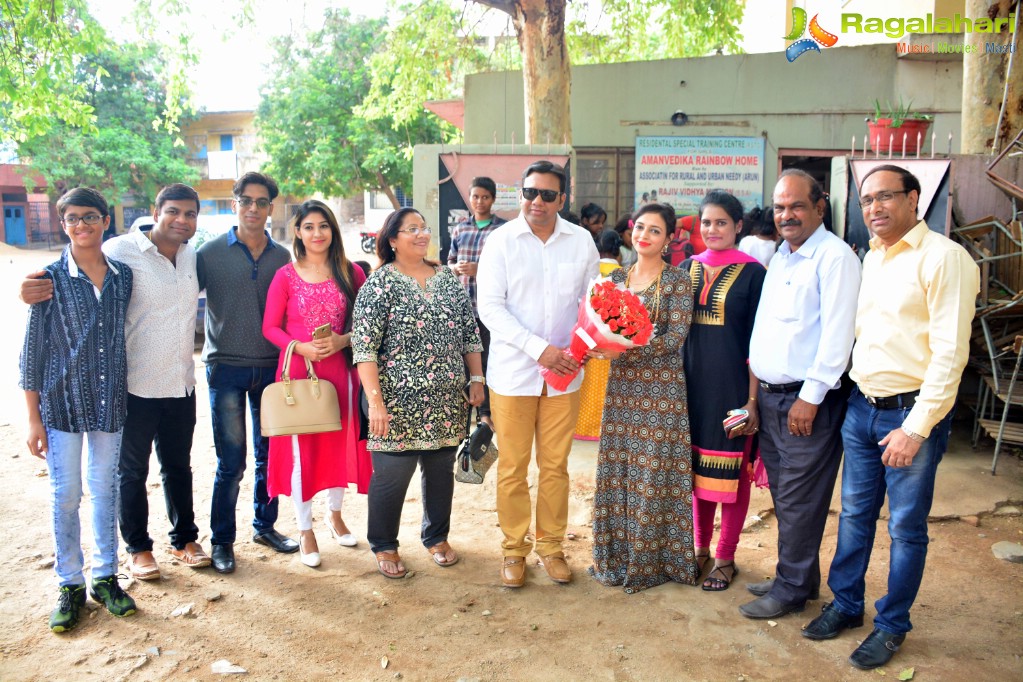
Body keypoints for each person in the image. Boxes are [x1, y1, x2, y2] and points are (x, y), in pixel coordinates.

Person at [801, 166, 979, 670]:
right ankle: (847, 605)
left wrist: (916, 429)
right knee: (854, 516)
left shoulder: (945, 259)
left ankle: (891, 625)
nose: (874, 208)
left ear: (914, 199)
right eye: (866, 200)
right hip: (863, 408)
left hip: (910, 414)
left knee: (905, 527)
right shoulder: (873, 258)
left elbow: (950, 354)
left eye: (886, 197)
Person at [20, 184, 209, 581]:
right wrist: (29, 287)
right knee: (130, 472)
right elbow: (75, 265)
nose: (181, 220)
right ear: (156, 211)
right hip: (134, 385)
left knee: (178, 466)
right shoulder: (121, 251)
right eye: (173, 211)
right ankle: (137, 548)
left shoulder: (193, 255)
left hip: (181, 383)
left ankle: (185, 539)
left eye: (190, 213)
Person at [740, 169, 862, 620]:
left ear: (818, 207)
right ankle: (797, 578)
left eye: (796, 206)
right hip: (772, 399)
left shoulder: (834, 259)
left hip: (805, 402)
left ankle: (791, 589)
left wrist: (810, 397)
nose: (786, 215)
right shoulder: (783, 256)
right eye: (779, 207)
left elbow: (838, 335)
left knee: (798, 498)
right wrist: (755, 397)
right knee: (789, 497)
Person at [477, 160, 600, 588]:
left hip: (565, 374)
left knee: (555, 467)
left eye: (548, 195)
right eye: (530, 193)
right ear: (521, 195)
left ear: (561, 200)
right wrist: (539, 350)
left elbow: (592, 303)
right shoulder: (501, 242)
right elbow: (490, 308)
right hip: (514, 374)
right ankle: (513, 551)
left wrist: (581, 347)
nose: (537, 202)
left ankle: (551, 547)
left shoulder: (582, 241)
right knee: (512, 466)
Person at [20, 188, 136, 632]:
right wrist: (33, 418)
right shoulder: (47, 279)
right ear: (63, 223)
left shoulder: (123, 276)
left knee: (105, 489)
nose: (81, 225)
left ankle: (105, 577)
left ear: (106, 221)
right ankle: (69, 583)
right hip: (62, 405)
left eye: (90, 217)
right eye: (72, 218)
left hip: (110, 404)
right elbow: (33, 353)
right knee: (66, 494)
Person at [353, 208, 484, 579]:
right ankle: (384, 544)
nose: (422, 234)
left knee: (440, 473)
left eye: (424, 227)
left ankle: (436, 536)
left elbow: (468, 333)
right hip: (394, 403)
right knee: (391, 477)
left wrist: (477, 378)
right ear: (392, 239)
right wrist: (375, 404)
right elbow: (364, 349)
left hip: (445, 401)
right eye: (412, 229)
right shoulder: (378, 285)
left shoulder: (446, 279)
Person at [589, 203, 699, 593]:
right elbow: (601, 325)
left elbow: (675, 338)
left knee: (654, 472)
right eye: (639, 228)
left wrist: (628, 351)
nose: (643, 236)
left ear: (669, 239)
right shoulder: (617, 277)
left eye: (655, 230)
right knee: (619, 468)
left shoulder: (678, 281)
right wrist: (595, 343)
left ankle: (655, 560)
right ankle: (616, 555)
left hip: (661, 390)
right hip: (621, 390)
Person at [197, 172, 298, 574]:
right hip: (226, 369)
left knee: (269, 456)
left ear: (271, 208)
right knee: (231, 461)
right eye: (246, 201)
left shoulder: (282, 257)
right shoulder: (208, 254)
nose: (253, 208)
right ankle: (222, 540)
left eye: (261, 202)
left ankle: (265, 526)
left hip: (272, 369)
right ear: (234, 203)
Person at [262, 200, 372, 568]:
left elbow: (368, 325)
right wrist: (302, 347)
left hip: (341, 373)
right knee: (300, 454)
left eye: (323, 225)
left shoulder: (352, 272)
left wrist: (343, 340)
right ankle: (305, 528)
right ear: (297, 232)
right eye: (308, 227)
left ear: (333, 230)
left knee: (339, 444)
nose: (317, 233)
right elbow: (270, 328)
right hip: (297, 376)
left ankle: (335, 514)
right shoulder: (286, 275)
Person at [683, 191, 766, 591]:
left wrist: (752, 402)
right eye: (706, 222)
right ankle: (699, 549)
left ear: (738, 226)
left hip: (733, 391)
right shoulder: (686, 269)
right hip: (689, 391)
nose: (712, 229)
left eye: (720, 222)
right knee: (697, 473)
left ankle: (726, 557)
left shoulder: (754, 274)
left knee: (732, 478)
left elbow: (758, 344)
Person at [447, 176, 506, 429]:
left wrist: (479, 269)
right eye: (475, 197)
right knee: (461, 361)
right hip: (463, 307)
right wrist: (455, 268)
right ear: (469, 199)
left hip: (491, 309)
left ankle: (485, 412)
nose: (479, 201)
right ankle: (464, 413)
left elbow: (509, 269)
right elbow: (447, 262)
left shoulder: (503, 230)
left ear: (493, 199)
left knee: (487, 361)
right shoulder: (460, 229)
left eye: (485, 197)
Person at [573, 229, 623, 440]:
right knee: (606, 386)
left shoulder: (589, 271)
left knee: (586, 383)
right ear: (618, 251)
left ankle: (582, 426)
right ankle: (603, 427)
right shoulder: (624, 274)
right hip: (613, 341)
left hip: (586, 336)